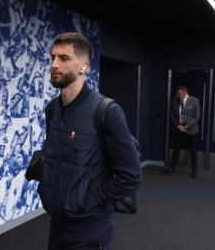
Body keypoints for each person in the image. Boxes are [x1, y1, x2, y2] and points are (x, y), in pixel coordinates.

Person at [37, 32, 142, 250]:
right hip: (57, 223)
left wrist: (88, 201)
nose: (54, 64)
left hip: (90, 229)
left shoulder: (106, 111)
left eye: (64, 58)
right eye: (53, 57)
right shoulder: (53, 109)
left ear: (83, 67)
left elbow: (131, 176)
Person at [164, 85, 201, 178]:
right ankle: (172, 168)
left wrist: (187, 127)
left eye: (178, 93)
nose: (176, 94)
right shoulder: (174, 100)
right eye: (176, 93)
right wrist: (179, 126)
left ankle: (194, 171)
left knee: (193, 150)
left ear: (184, 93)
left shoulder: (194, 100)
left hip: (191, 130)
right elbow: (172, 115)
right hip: (179, 129)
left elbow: (196, 117)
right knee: (177, 148)